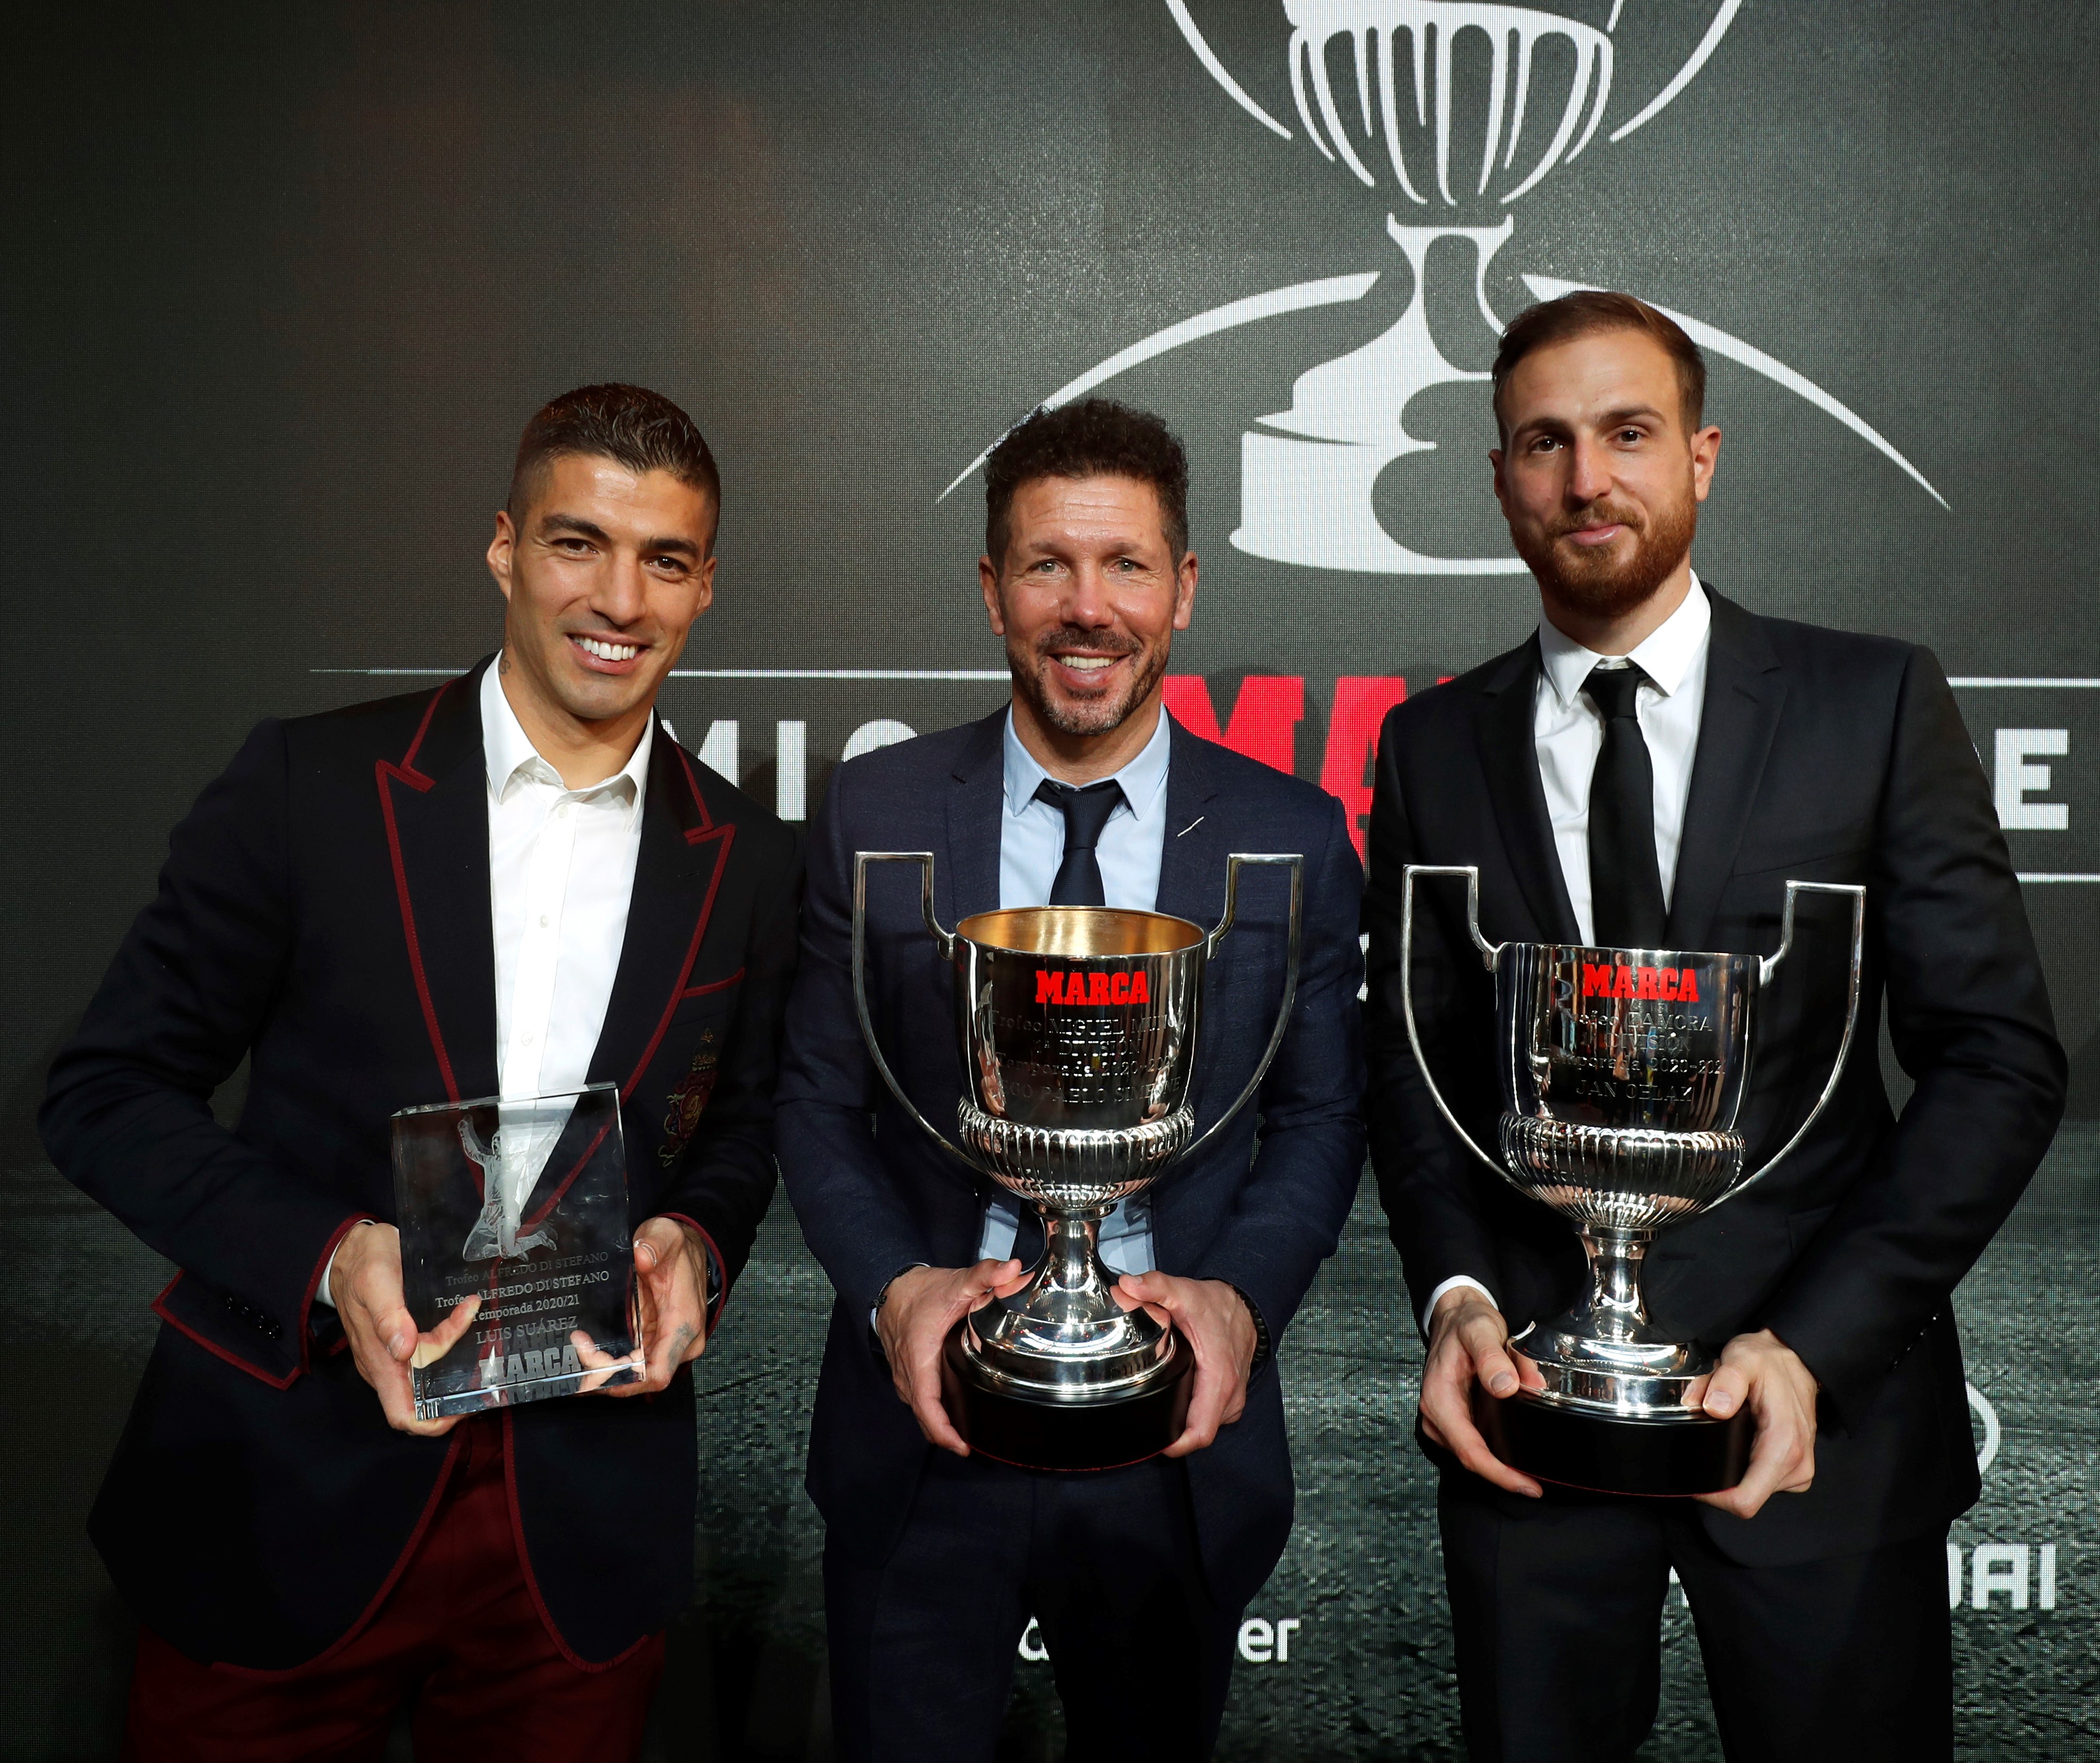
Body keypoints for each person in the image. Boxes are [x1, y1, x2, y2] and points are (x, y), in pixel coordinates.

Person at [40, 384, 800, 1761]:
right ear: (504, 548)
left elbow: (740, 1128)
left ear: (705, 588)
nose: (617, 598)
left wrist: (697, 1240)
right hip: (287, 1482)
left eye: (665, 560)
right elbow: (105, 1094)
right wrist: (331, 1254)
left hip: (577, 1523)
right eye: (576, 543)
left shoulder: (746, 857)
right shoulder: (311, 786)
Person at [1362, 291, 2067, 1762]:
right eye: (1544, 443)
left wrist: (1813, 1346)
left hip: (1821, 1424)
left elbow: (1995, 1060)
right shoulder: (1429, 747)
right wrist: (1456, 1301)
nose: (1585, 479)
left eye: (1627, 433)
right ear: (1497, 477)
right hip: (1530, 1421)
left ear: (1701, 456)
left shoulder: (1868, 702)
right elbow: (1416, 1077)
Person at [775, 399, 1365, 1761]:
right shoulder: (874, 813)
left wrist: (1237, 1307)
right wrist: (896, 1292)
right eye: (1047, 565)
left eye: (1125, 565)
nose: (1087, 608)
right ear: (993, 590)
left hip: (1177, 1432)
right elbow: (814, 1101)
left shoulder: (1289, 833)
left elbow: (1321, 1115)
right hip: (925, 1422)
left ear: (1183, 589)